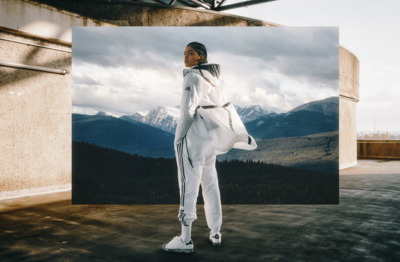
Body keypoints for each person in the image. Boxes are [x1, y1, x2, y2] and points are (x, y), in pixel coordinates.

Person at [162, 42, 257, 253]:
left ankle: (185, 240)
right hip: (210, 141)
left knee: (188, 186)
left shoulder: (192, 77)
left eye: (191, 53)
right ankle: (215, 232)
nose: (186, 57)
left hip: (193, 140)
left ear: (201, 58)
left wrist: (178, 139)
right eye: (185, 53)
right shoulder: (217, 80)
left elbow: (187, 111)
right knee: (211, 185)